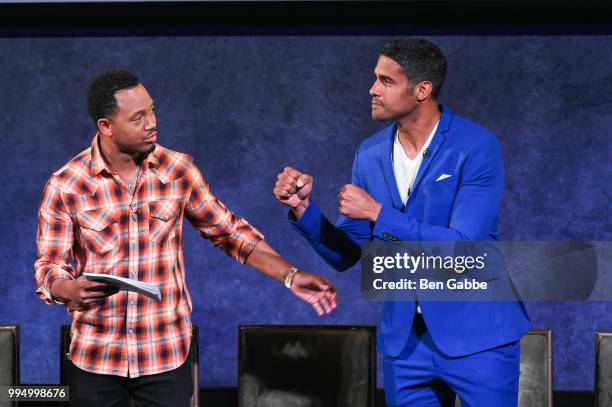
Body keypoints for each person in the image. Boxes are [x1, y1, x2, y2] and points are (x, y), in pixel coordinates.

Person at [34, 69, 337, 407]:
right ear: (106, 126)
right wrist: (67, 289)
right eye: (138, 117)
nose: (152, 122)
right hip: (95, 358)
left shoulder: (178, 170)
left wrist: (290, 276)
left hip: (166, 355)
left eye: (152, 110)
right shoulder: (66, 185)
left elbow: (230, 232)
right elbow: (50, 265)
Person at [274, 38, 530, 406]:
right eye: (375, 79)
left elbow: (462, 247)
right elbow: (349, 253)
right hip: (406, 345)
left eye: (386, 81)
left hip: (480, 337)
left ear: (422, 90)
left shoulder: (476, 147)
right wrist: (304, 210)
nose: (373, 89)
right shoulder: (370, 153)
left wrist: (378, 213)